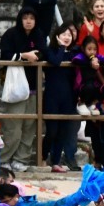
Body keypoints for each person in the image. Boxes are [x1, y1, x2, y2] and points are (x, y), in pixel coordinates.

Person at [0, 7, 47, 172]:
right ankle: (4, 158)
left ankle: (21, 159)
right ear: (20, 19)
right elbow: (4, 55)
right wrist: (24, 56)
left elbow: (43, 53)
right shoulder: (11, 34)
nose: (28, 21)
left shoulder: (39, 35)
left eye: (31, 18)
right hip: (15, 88)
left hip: (34, 88)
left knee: (29, 127)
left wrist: (36, 56)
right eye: (25, 17)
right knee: (13, 127)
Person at [43, 25, 79, 173]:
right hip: (52, 96)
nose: (67, 37)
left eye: (69, 35)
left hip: (68, 97)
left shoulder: (75, 54)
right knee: (52, 131)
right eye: (64, 34)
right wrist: (62, 48)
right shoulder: (50, 50)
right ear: (57, 36)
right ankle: (43, 158)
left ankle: (56, 161)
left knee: (63, 131)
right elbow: (56, 61)